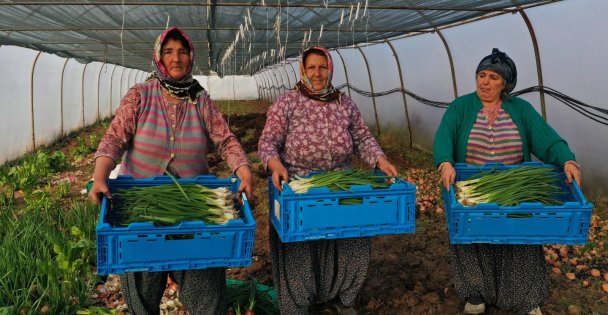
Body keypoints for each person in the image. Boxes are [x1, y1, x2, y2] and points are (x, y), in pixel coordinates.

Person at [88, 26, 254, 315]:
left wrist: (243, 168)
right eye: (168, 52)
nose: (176, 58)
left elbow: (224, 139)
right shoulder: (140, 95)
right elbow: (114, 138)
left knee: (204, 284)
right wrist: (100, 176)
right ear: (159, 58)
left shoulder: (200, 99)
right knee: (143, 286)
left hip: (194, 206)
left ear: (191, 57)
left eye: (182, 51)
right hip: (141, 205)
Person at [433, 48, 581, 315]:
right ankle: (475, 293)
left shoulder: (521, 109)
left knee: (518, 238)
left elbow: (547, 139)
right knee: (472, 239)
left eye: (493, 77)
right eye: (481, 75)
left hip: (515, 189)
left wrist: (567, 160)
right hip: (473, 188)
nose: (485, 82)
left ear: (505, 84)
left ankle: (524, 297)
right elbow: (444, 136)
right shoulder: (461, 107)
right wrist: (445, 161)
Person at [258, 46, 399, 315]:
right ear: (302, 70)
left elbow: (362, 138)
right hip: (301, 189)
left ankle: (342, 298)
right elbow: (267, 142)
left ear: (330, 69)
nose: (317, 73)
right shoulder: (288, 102)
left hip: (341, 187)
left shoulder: (343, 103)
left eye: (322, 67)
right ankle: (300, 302)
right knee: (302, 247)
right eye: (311, 67)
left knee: (349, 240)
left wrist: (380, 160)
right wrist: (274, 164)